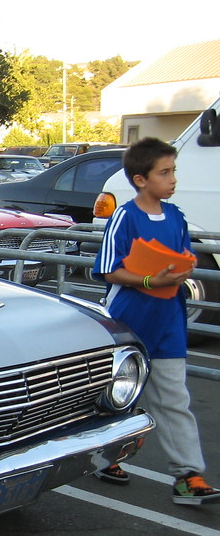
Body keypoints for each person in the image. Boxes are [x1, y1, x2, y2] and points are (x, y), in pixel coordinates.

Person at [92, 137, 219, 505]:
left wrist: (184, 267)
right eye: (164, 172)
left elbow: (184, 257)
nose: (172, 178)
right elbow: (108, 270)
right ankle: (104, 457)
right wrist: (150, 280)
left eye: (173, 171)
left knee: (175, 399)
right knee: (116, 395)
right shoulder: (124, 217)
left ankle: (188, 476)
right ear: (140, 179)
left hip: (169, 320)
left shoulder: (177, 216)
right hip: (129, 320)